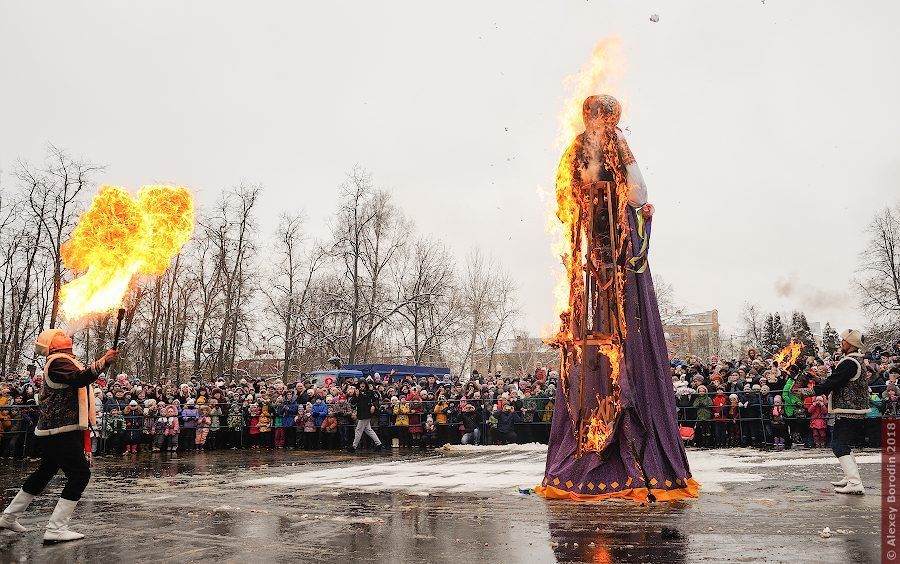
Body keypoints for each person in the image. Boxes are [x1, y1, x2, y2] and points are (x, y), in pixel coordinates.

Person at [0, 328, 118, 542]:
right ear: (53, 345)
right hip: (60, 430)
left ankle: (9, 517)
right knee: (80, 474)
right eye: (60, 334)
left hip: (56, 430)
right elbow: (79, 378)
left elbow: (83, 376)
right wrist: (103, 362)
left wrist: (103, 363)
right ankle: (56, 528)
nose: (66, 334)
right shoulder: (57, 361)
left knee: (44, 473)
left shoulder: (62, 360)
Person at [794, 329, 869, 494]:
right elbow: (835, 381)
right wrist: (815, 379)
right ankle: (850, 477)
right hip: (852, 410)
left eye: (844, 340)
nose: (841, 342)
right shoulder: (854, 360)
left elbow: (832, 384)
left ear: (851, 343)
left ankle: (855, 482)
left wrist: (806, 391)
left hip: (849, 410)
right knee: (842, 443)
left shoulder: (849, 362)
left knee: (838, 444)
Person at [348, 379, 383, 452]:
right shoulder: (357, 392)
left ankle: (354, 447)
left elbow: (376, 400)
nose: (362, 385)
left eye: (363, 383)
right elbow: (353, 402)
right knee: (368, 430)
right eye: (361, 383)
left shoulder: (370, 392)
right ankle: (378, 444)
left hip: (366, 413)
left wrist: (373, 406)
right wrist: (356, 396)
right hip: (361, 413)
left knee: (358, 430)